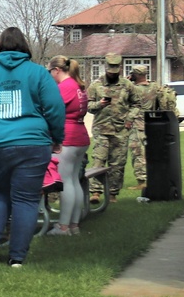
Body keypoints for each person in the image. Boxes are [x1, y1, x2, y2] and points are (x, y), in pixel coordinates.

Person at [0, 27, 64, 268]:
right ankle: (17, 257)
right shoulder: (38, 73)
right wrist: (57, 137)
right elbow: (54, 107)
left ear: (0, 46)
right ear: (25, 46)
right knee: (26, 199)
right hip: (32, 143)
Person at [46, 55, 89, 236]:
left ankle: (63, 227)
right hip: (80, 135)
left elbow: (51, 110)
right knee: (73, 181)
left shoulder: (65, 87)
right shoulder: (78, 86)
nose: (50, 76)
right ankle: (73, 225)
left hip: (67, 138)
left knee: (65, 182)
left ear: (57, 70)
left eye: (50, 72)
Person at [86, 53, 136, 204]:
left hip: (120, 130)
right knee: (98, 160)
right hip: (101, 130)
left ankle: (113, 193)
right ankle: (95, 192)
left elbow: (136, 104)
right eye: (110, 71)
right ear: (106, 68)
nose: (112, 74)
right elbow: (88, 106)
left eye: (115, 71)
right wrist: (99, 105)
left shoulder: (127, 85)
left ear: (120, 69)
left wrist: (130, 119)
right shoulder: (96, 85)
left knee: (118, 164)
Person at [127, 65, 162, 191]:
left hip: (137, 123)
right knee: (148, 153)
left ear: (135, 75)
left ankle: (142, 181)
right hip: (151, 123)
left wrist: (128, 82)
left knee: (137, 153)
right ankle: (154, 178)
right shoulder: (154, 87)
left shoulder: (134, 89)